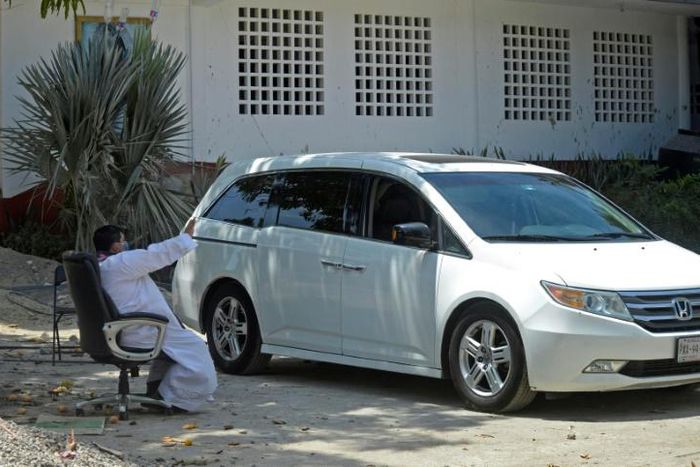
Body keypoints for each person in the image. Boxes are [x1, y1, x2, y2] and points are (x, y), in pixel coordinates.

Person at [92, 219, 217, 412]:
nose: (126, 244)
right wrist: (185, 238)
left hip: (122, 330)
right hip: (142, 328)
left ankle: (156, 392)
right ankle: (174, 399)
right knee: (196, 350)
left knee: (174, 351)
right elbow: (155, 255)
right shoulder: (119, 263)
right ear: (116, 246)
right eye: (123, 241)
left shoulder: (100, 267)